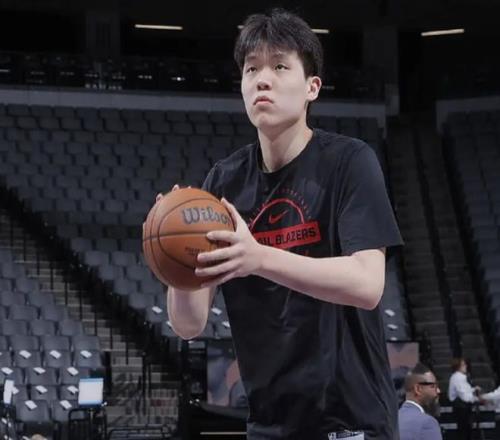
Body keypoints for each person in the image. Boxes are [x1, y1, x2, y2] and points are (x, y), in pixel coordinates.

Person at [163, 8, 403, 440]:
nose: (262, 79)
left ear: (312, 87)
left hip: (349, 422)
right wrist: (173, 260)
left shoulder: (350, 162)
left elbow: (367, 284)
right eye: (251, 68)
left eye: (279, 66)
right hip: (269, 425)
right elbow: (189, 323)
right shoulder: (223, 182)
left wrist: (259, 258)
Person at [398, 363, 442, 440]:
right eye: (433, 386)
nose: (438, 391)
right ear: (418, 389)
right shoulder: (427, 423)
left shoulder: (392, 419)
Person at [448, 358, 480, 440]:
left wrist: (473, 389)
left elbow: (465, 390)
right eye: (463, 365)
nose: (466, 366)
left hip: (462, 407)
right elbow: (464, 395)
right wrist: (476, 399)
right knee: (464, 430)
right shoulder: (458, 377)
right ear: (458, 367)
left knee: (465, 429)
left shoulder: (459, 377)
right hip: (461, 407)